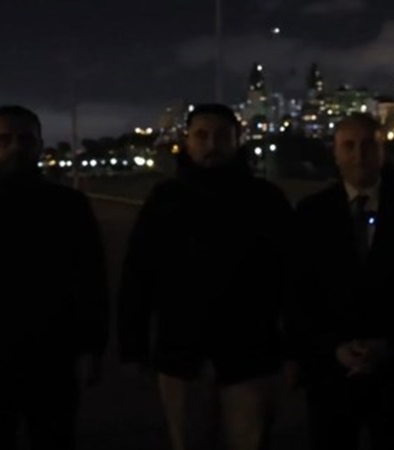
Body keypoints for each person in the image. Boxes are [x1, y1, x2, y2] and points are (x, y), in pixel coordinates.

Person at [117, 103, 295, 450]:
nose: (212, 144)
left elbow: (291, 277)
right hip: (182, 354)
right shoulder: (165, 200)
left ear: (237, 140)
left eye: (221, 136)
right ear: (187, 140)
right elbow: (138, 276)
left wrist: (293, 349)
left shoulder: (265, 200)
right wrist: (132, 348)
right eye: (202, 136)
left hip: (251, 354)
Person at [0, 105, 108, 450]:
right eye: (5, 139)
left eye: (25, 139)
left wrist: (92, 347)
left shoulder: (69, 206)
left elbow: (91, 280)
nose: (15, 147)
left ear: (39, 144)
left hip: (53, 356)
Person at [292, 112, 394, 450]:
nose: (359, 155)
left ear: (382, 151)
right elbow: (300, 289)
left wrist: (386, 344)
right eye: (349, 146)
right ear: (335, 152)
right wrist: (334, 347)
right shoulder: (311, 213)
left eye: (368, 146)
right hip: (330, 371)